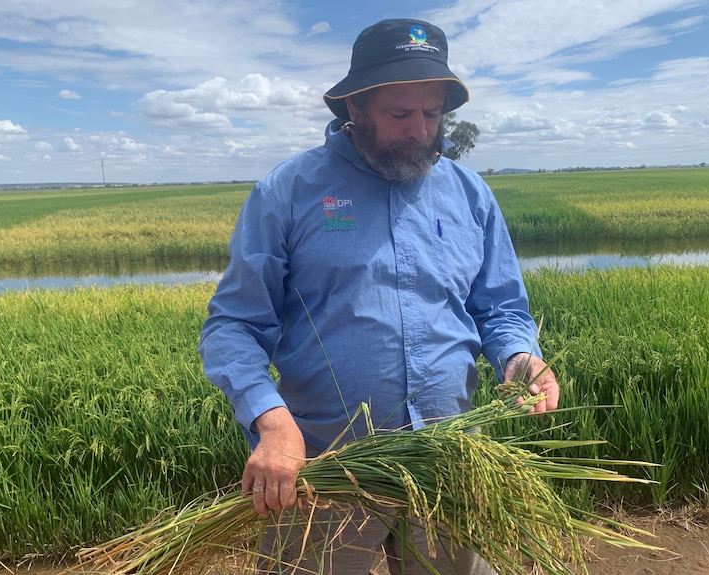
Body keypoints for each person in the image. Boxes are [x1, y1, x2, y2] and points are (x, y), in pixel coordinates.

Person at [198, 18, 560, 575]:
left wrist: (518, 356)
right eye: (399, 114)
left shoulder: (469, 194)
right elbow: (234, 325)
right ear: (355, 108)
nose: (419, 129)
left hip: (448, 460)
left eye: (432, 113)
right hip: (325, 466)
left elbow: (501, 307)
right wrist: (270, 421)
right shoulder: (289, 191)